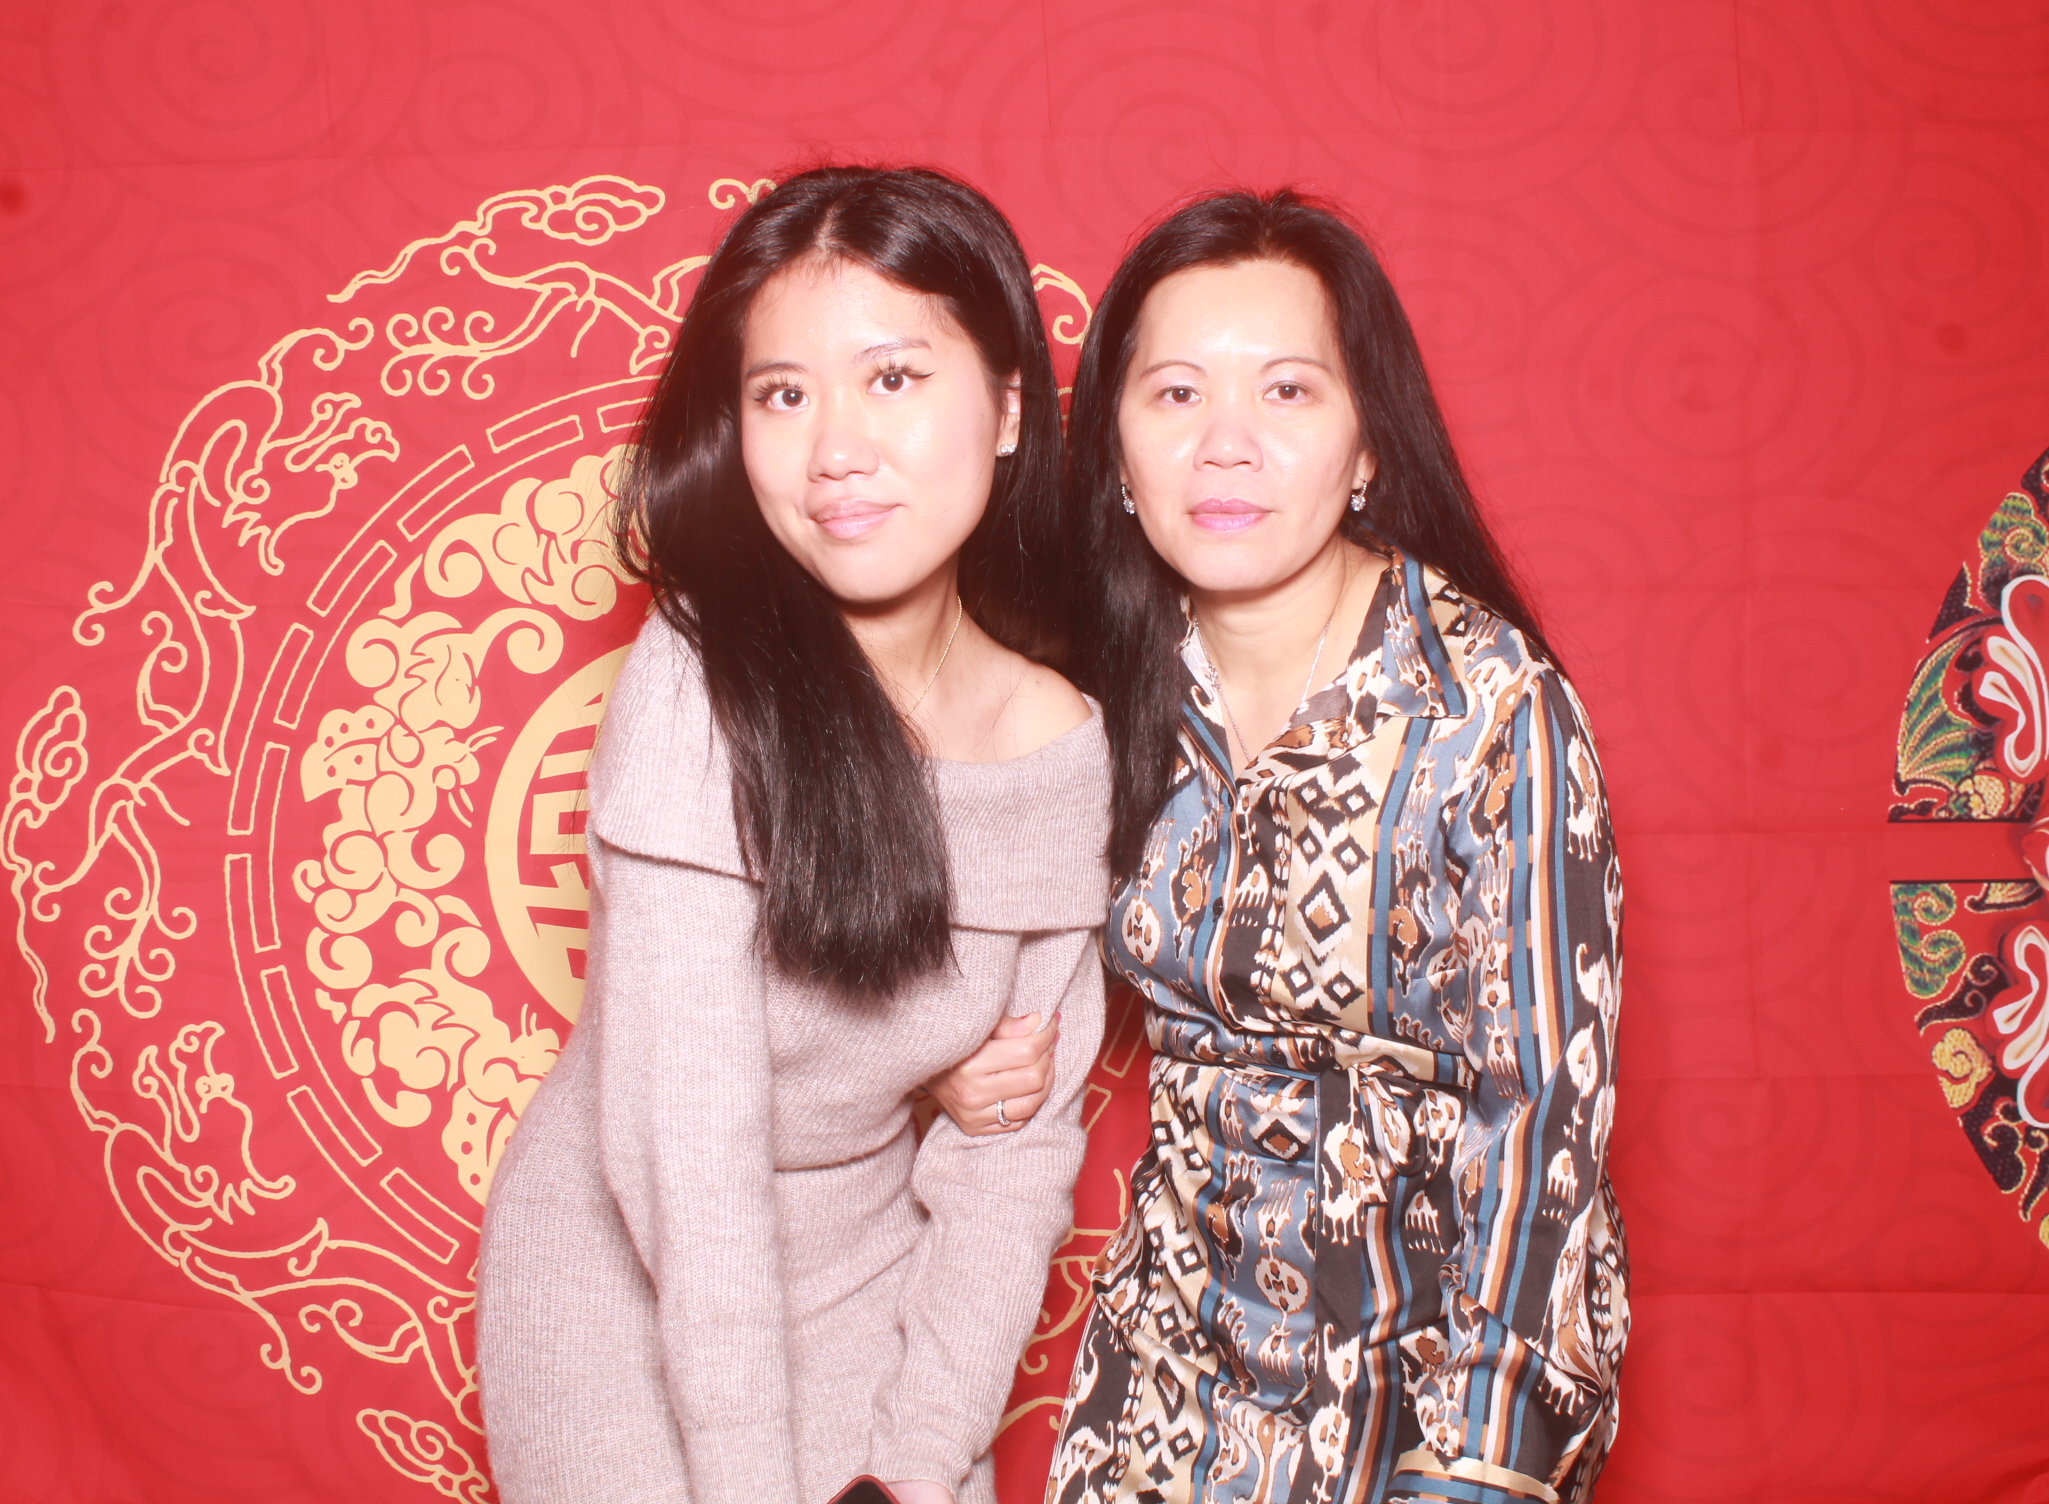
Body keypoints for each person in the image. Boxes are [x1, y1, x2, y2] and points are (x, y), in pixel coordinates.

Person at [474, 166, 1110, 1504]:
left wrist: (919, 1468)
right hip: (632, 1286)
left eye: (893, 378)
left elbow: (1012, 1166)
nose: (834, 453)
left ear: (1006, 410)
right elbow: (687, 1161)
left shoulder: (1061, 745)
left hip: (872, 1265)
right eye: (782, 395)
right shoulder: (696, 681)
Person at [1011, 190, 1627, 1504]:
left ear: (1368, 446)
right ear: (1113, 448)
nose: (1225, 445)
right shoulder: (1090, 693)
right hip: (1167, 1373)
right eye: (1176, 395)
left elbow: (1543, 1120)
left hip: (1428, 1376)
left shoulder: (1488, 709)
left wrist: (1482, 1455)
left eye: (1287, 392)